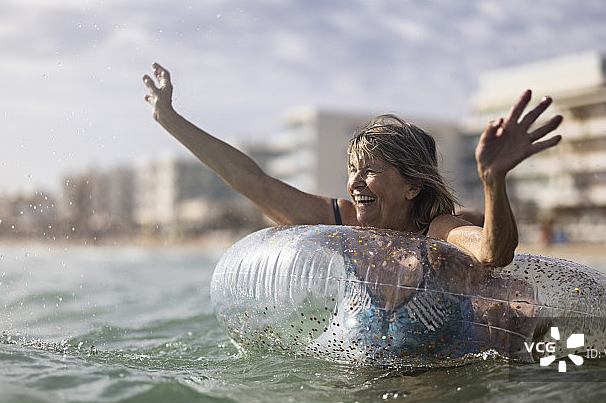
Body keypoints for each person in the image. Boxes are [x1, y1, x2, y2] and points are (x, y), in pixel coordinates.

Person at [143, 62, 562, 267]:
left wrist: (493, 179)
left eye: (370, 170)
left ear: (413, 186)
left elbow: (494, 253)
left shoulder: (439, 231)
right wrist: (170, 119)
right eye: (353, 169)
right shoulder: (345, 222)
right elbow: (253, 181)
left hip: (433, 373)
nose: (355, 183)